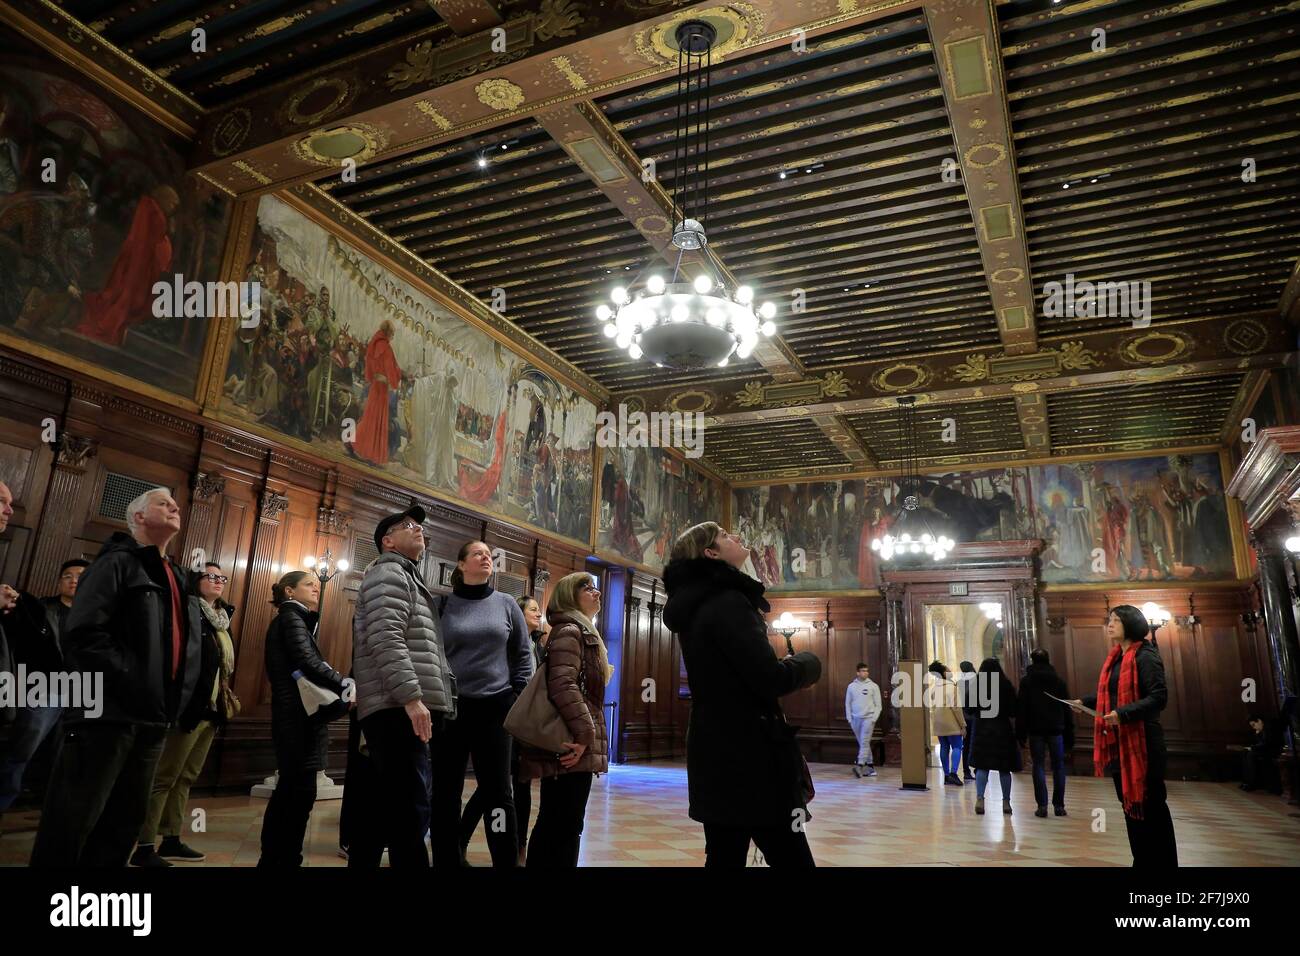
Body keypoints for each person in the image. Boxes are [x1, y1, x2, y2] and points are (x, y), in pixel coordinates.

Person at [31, 488, 203, 867]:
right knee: (73, 821)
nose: (175, 506)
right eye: (163, 502)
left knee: (122, 823)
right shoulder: (115, 563)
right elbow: (86, 635)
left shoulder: (175, 574)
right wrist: (133, 682)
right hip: (107, 714)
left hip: (153, 718)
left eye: (175, 502)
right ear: (139, 517)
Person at [662, 522, 822, 868]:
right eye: (724, 535)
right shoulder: (727, 602)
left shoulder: (696, 604)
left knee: (723, 854)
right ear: (711, 553)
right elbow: (768, 678)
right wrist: (808, 664)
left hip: (713, 748)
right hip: (751, 753)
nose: (735, 536)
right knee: (790, 855)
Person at [350, 506, 455, 868]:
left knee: (384, 807)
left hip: (395, 707)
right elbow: (386, 639)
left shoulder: (405, 576)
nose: (418, 530)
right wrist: (412, 697)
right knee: (410, 810)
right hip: (397, 709)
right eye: (408, 526)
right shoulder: (389, 575)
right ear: (387, 540)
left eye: (420, 526)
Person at [430, 540, 532, 868]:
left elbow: (523, 653)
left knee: (498, 793)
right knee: (446, 791)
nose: (486, 557)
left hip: (496, 708)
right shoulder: (443, 605)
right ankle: (447, 859)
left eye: (489, 555)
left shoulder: (505, 604)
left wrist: (517, 695)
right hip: (452, 709)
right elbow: (431, 653)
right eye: (478, 554)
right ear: (461, 565)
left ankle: (504, 859)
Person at [133, 562, 237, 866]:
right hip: (188, 707)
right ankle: (144, 845)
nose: (218, 581)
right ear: (196, 580)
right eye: (211, 576)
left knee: (187, 777)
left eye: (222, 577)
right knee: (165, 777)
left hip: (212, 710)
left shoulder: (221, 619)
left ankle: (172, 838)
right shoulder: (186, 613)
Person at [1070, 604, 1177, 866]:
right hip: (1122, 743)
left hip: (1144, 743)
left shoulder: (1145, 656)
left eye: (1115, 620)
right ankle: (1142, 860)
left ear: (1131, 624)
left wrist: (1123, 713)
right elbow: (1113, 695)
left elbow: (1158, 698)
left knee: (1151, 806)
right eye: (1109, 620)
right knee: (1129, 804)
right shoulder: (1117, 658)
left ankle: (1162, 863)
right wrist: (1086, 702)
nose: (1109, 624)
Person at [259, 570, 351, 867]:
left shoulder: (294, 619)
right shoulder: (291, 619)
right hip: (297, 720)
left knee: (293, 793)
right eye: (308, 584)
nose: (316, 588)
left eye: (316, 584)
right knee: (296, 796)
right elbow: (307, 661)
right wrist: (345, 684)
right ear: (289, 591)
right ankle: (282, 860)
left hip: (295, 718)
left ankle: (279, 859)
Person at [518, 573, 611, 866]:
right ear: (570, 595)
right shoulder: (571, 630)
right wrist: (585, 736)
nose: (596, 592)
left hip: (573, 738)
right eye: (587, 587)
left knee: (566, 823)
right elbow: (564, 685)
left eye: (595, 587)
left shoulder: (582, 631)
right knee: (560, 823)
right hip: (570, 740)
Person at [461, 593, 546, 865]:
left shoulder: (537, 646)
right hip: (505, 720)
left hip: (525, 722)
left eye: (538, 609)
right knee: (493, 788)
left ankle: (519, 847)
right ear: (517, 615)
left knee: (520, 785)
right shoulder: (507, 644)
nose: (538, 613)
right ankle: (461, 839)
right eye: (532, 609)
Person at [0, 554, 87, 813]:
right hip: (44, 688)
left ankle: (54, 811)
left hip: (84, 690)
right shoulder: (39, 608)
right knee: (23, 748)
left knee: (69, 756)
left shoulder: (97, 616)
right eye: (68, 577)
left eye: (80, 578)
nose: (73, 582)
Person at [1017, 647, 1073, 818]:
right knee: (1058, 766)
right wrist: (1070, 735)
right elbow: (1066, 708)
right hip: (1056, 728)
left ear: (1032, 660)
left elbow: (1022, 709)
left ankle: (1042, 806)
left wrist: (1021, 733)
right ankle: (1059, 806)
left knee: (1038, 766)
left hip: (1035, 729)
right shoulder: (1058, 681)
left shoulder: (1026, 681)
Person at [970, 657, 1018, 815]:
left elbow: (968, 708)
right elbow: (1013, 710)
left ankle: (980, 799)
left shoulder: (977, 684)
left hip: (982, 730)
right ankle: (1006, 802)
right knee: (1005, 769)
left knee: (982, 767)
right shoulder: (1005, 685)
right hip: (1002, 730)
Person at [1239, 697, 1295, 793]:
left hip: (1274, 750)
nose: (1254, 728)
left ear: (1259, 721)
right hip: (1267, 749)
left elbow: (1267, 743)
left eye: (1253, 725)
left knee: (1251, 754)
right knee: (1245, 753)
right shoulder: (1263, 728)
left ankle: (1252, 784)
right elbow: (1262, 743)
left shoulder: (1270, 726)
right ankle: (1247, 782)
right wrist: (1257, 736)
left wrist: (1253, 746)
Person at [928, 661, 965, 786]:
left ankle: (946, 775)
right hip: (951, 723)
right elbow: (957, 708)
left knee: (944, 747)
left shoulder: (933, 688)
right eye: (949, 670)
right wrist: (963, 725)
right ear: (944, 673)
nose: (951, 672)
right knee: (957, 746)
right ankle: (954, 773)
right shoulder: (952, 688)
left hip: (938, 722)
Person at [845, 662, 881, 778]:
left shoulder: (873, 686)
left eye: (867, 671)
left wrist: (873, 718)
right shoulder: (851, 686)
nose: (866, 673)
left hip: (868, 718)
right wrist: (849, 718)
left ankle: (859, 765)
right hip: (855, 719)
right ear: (858, 672)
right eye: (863, 671)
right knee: (863, 743)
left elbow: (878, 705)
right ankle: (870, 767)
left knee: (864, 741)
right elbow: (847, 704)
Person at [957, 660, 978, 781]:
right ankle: (978, 769)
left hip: (964, 718)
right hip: (976, 718)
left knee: (966, 746)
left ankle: (966, 771)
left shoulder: (959, 683)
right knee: (976, 744)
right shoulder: (977, 681)